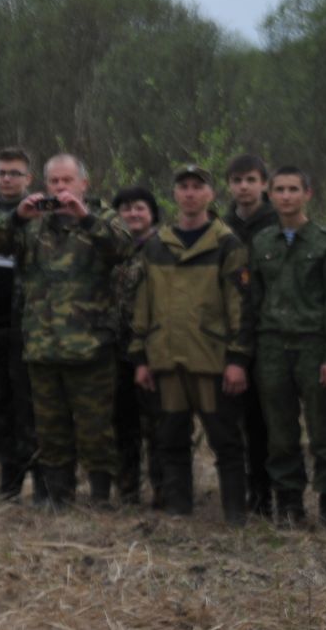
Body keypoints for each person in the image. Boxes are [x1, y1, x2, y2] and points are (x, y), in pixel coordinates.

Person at [0, 153, 130, 508]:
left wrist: (85, 217)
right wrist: (18, 215)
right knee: (51, 430)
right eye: (54, 182)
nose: (61, 189)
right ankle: (59, 496)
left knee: (95, 429)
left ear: (83, 184)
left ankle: (99, 496)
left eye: (67, 181)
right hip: (43, 347)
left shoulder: (100, 219)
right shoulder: (33, 226)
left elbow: (124, 246)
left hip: (90, 347)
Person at [130, 165, 253, 524]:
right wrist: (140, 357)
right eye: (182, 187)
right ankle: (178, 508)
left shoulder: (227, 243)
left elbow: (240, 305)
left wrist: (237, 358)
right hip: (167, 360)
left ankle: (234, 512)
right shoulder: (156, 245)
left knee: (225, 440)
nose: (189, 193)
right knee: (171, 439)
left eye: (197, 187)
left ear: (211, 195)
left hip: (211, 360)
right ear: (174, 195)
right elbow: (143, 305)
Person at [244, 167, 326, 528]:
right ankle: (289, 504)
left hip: (313, 347)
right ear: (269, 195)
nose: (286, 196)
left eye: (293, 189)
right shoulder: (261, 243)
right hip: (272, 346)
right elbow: (253, 301)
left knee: (323, 431)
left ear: (308, 193)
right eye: (279, 190)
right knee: (280, 432)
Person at [0, 146, 43, 502]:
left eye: (14, 173)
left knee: (29, 404)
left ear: (28, 178)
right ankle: (9, 476)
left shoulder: (42, 215)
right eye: (1, 172)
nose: (7, 179)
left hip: (29, 326)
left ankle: (42, 477)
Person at [222, 153, 279, 519]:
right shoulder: (222, 227)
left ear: (264, 184)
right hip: (231, 335)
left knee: (267, 422)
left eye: (251, 180)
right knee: (236, 421)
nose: (244, 187)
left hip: (270, 333)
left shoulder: (277, 222)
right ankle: (244, 491)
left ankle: (269, 493)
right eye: (237, 180)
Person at [110, 186, 165, 508]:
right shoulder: (111, 249)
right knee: (122, 423)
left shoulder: (164, 248)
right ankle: (127, 490)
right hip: (116, 350)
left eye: (139, 208)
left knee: (157, 425)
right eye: (126, 209)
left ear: (152, 213)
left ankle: (162, 489)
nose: (132, 214)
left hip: (153, 349)